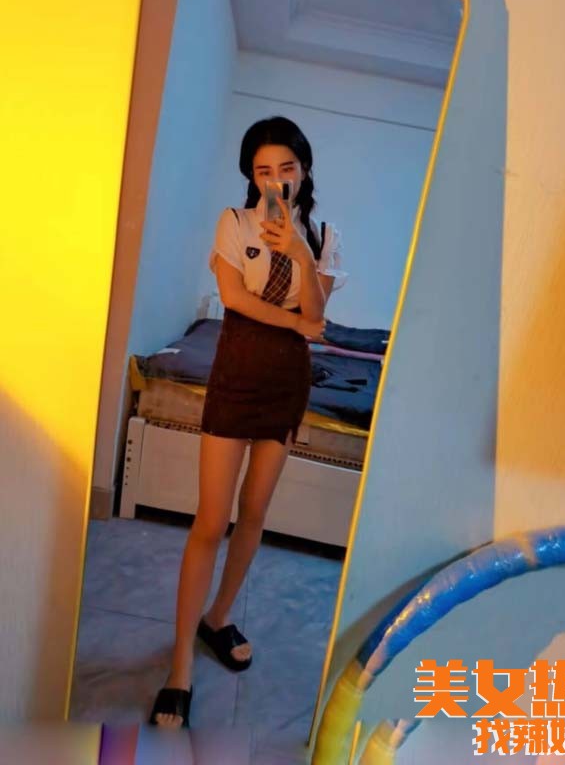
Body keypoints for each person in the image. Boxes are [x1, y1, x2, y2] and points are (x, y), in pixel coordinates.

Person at [149, 116, 346, 728]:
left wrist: (302, 256)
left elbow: (318, 312)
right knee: (212, 519)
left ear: (304, 171)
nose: (276, 180)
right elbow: (234, 299)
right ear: (251, 176)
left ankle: (218, 617)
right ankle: (180, 665)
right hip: (237, 368)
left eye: (287, 168)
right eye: (264, 170)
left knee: (255, 511)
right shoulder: (234, 223)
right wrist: (296, 322)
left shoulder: (325, 237)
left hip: (287, 382)